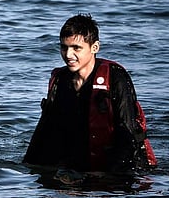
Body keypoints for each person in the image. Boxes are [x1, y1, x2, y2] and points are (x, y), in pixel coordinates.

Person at [24, 14, 157, 175]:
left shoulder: (115, 77)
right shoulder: (60, 80)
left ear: (95, 47)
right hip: (79, 163)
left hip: (122, 164)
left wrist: (108, 174)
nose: (68, 55)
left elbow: (127, 135)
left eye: (76, 48)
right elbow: (45, 128)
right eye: (64, 47)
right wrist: (28, 168)